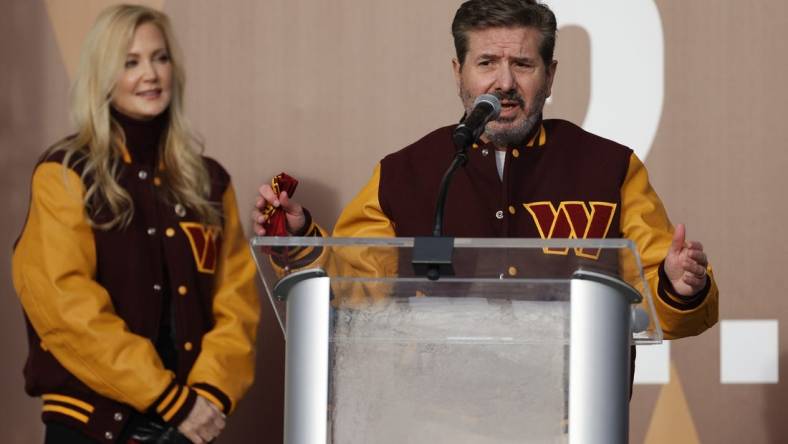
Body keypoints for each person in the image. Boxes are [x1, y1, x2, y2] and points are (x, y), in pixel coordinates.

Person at [254, 0, 717, 345]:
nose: (505, 83)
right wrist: (300, 244)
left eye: (522, 64)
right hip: (431, 421)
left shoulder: (609, 167)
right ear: (459, 73)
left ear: (550, 75)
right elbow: (353, 294)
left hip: (570, 421)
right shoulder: (404, 174)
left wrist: (680, 286)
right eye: (487, 63)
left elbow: (665, 305)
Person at [12, 5, 260, 444]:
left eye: (160, 57)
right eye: (131, 62)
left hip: (185, 429)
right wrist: (170, 400)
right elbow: (65, 307)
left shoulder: (209, 182)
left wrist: (208, 399)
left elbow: (236, 307)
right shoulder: (66, 172)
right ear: (102, 75)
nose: (150, 74)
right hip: (88, 426)